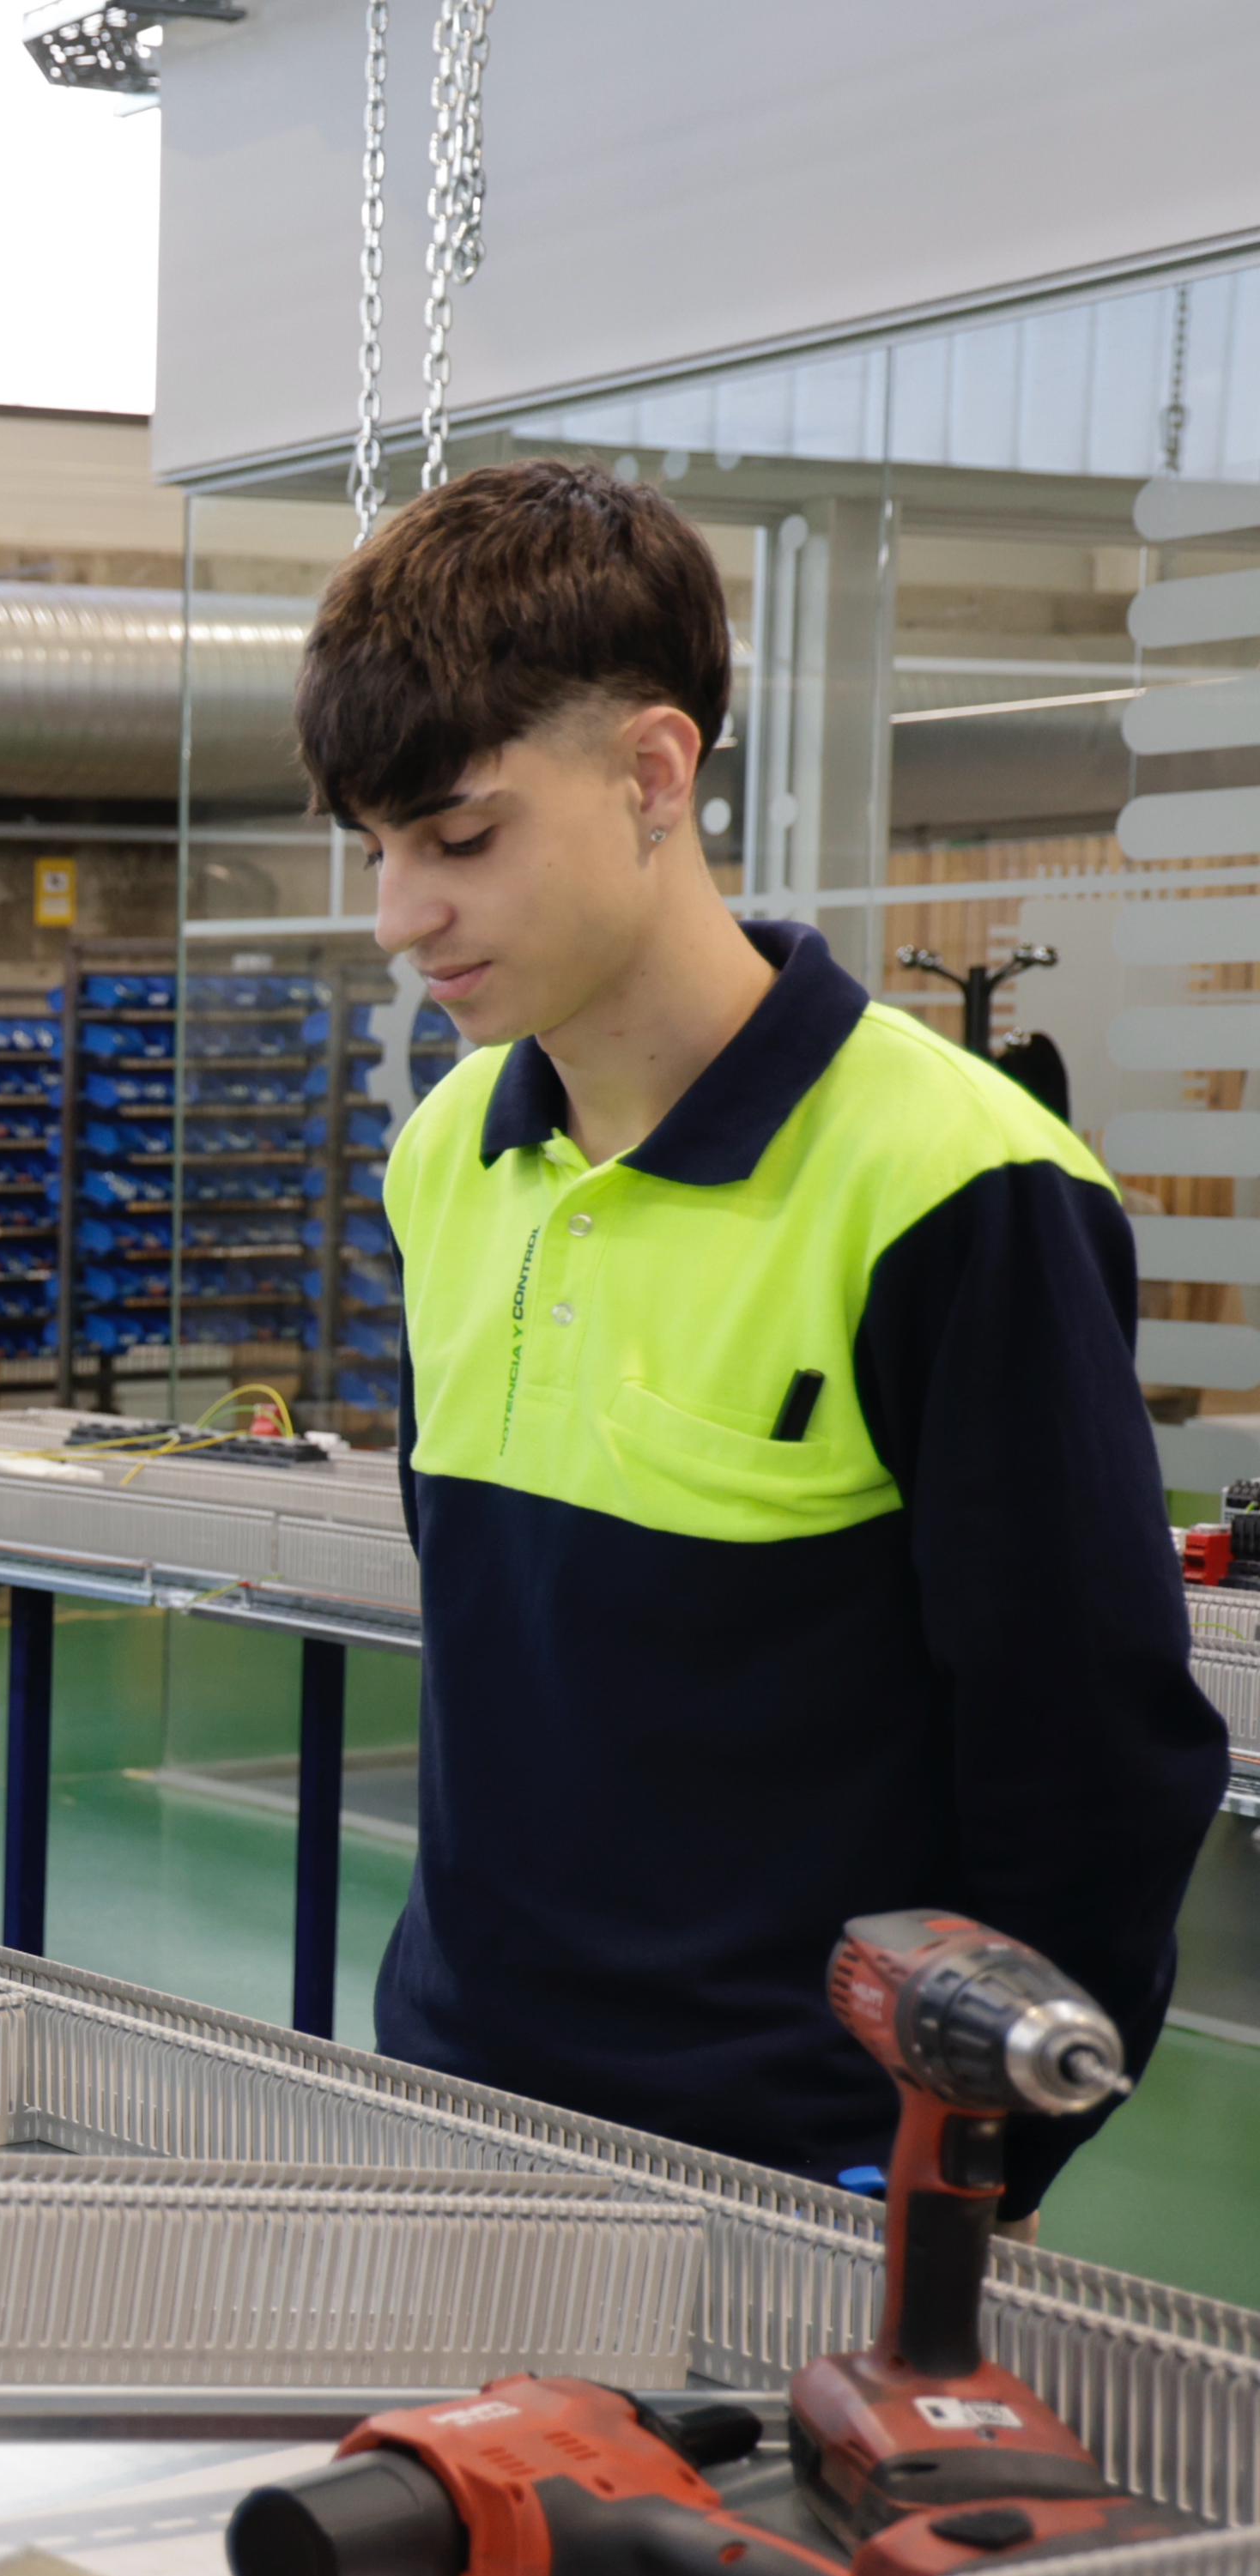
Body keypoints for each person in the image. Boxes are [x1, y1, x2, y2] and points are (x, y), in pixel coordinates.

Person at [321, 458, 1225, 2222]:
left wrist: (965, 2166)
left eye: (459, 838)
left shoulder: (954, 1189)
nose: (396, 915)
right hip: (458, 2093)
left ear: (654, 775)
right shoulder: (446, 1155)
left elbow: (1095, 1763)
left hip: (803, 2168)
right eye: (374, 848)